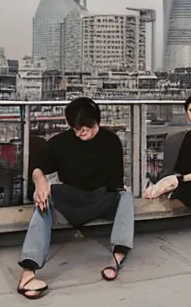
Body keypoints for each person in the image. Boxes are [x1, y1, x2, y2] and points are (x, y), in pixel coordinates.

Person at [16, 97, 134, 300]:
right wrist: (39, 180)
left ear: (97, 122)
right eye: (77, 129)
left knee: (125, 196)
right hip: (72, 198)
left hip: (99, 199)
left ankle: (118, 255)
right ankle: (28, 270)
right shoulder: (62, 142)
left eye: (86, 128)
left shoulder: (111, 141)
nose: (81, 134)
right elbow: (38, 164)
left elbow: (115, 185)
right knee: (43, 199)